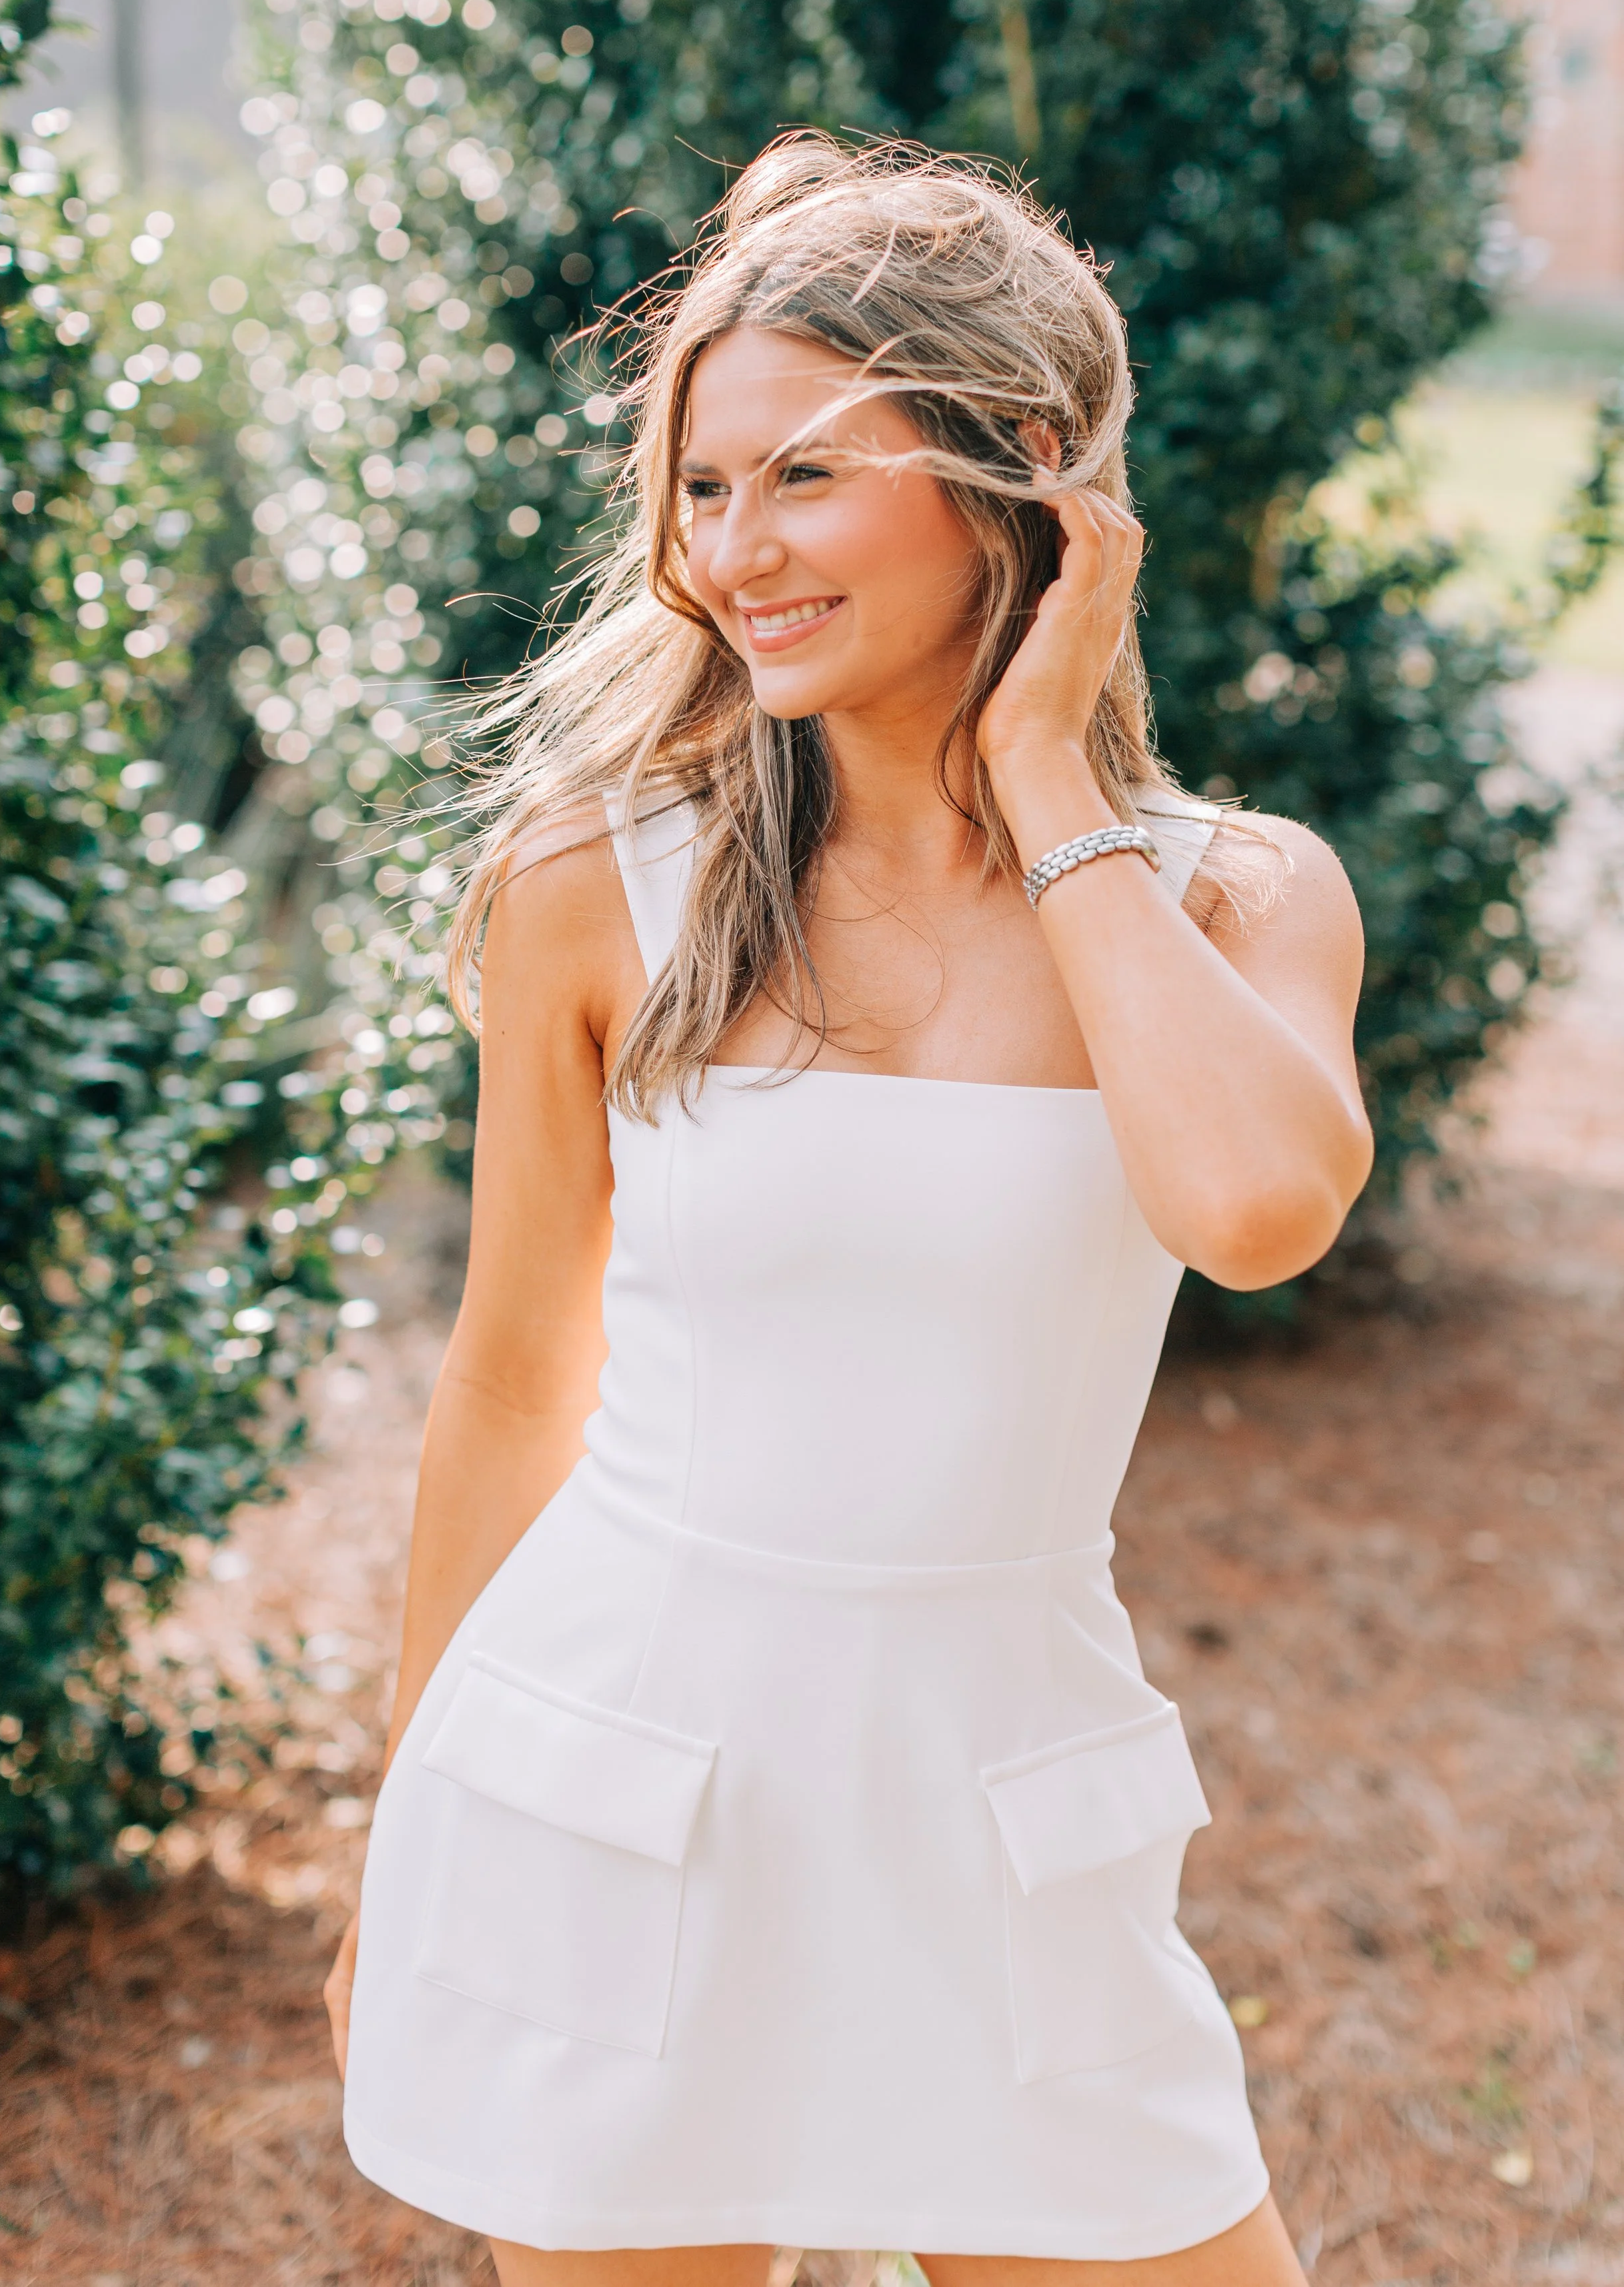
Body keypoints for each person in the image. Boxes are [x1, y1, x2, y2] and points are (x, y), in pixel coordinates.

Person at [324, 135, 1373, 2287]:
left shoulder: (1231, 898)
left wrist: (1051, 773)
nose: (733, 552)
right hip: (618, 1798)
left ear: (1024, 479)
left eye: (803, 475)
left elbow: (1257, 1207)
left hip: (1001, 1813)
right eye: (703, 487)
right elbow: (514, 1378)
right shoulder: (593, 880)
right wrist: (403, 1834)